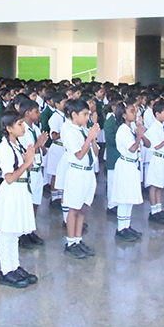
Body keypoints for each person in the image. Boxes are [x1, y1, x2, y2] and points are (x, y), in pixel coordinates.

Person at [0, 110, 39, 288]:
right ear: (9, 128)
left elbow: (23, 168)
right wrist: (27, 163)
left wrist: (29, 160)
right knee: (7, 232)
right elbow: (9, 177)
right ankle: (6, 270)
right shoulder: (4, 148)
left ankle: (15, 266)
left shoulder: (17, 144)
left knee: (15, 231)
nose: (22, 127)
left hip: (20, 190)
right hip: (11, 191)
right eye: (19, 124)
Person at [60, 99, 100, 260]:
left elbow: (95, 152)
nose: (87, 117)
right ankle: (70, 242)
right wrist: (90, 138)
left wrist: (93, 138)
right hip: (77, 173)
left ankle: (78, 239)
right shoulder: (71, 132)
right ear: (74, 114)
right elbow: (79, 154)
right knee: (74, 208)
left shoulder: (83, 131)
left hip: (88, 173)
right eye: (84, 114)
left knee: (83, 207)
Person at [109, 102, 149, 241]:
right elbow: (132, 148)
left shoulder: (132, 128)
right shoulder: (122, 130)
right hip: (125, 164)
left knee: (130, 197)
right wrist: (139, 135)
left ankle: (127, 225)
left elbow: (148, 144)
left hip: (133, 165)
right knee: (123, 197)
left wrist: (141, 133)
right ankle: (121, 228)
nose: (135, 113)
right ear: (124, 115)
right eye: (131, 111)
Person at [17, 100, 49, 247]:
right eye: (36, 111)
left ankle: (30, 230)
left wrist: (42, 145)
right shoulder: (21, 130)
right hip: (28, 171)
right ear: (28, 113)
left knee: (35, 202)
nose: (39, 114)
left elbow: (40, 149)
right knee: (26, 203)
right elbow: (25, 152)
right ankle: (21, 234)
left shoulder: (35, 128)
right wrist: (37, 144)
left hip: (38, 169)